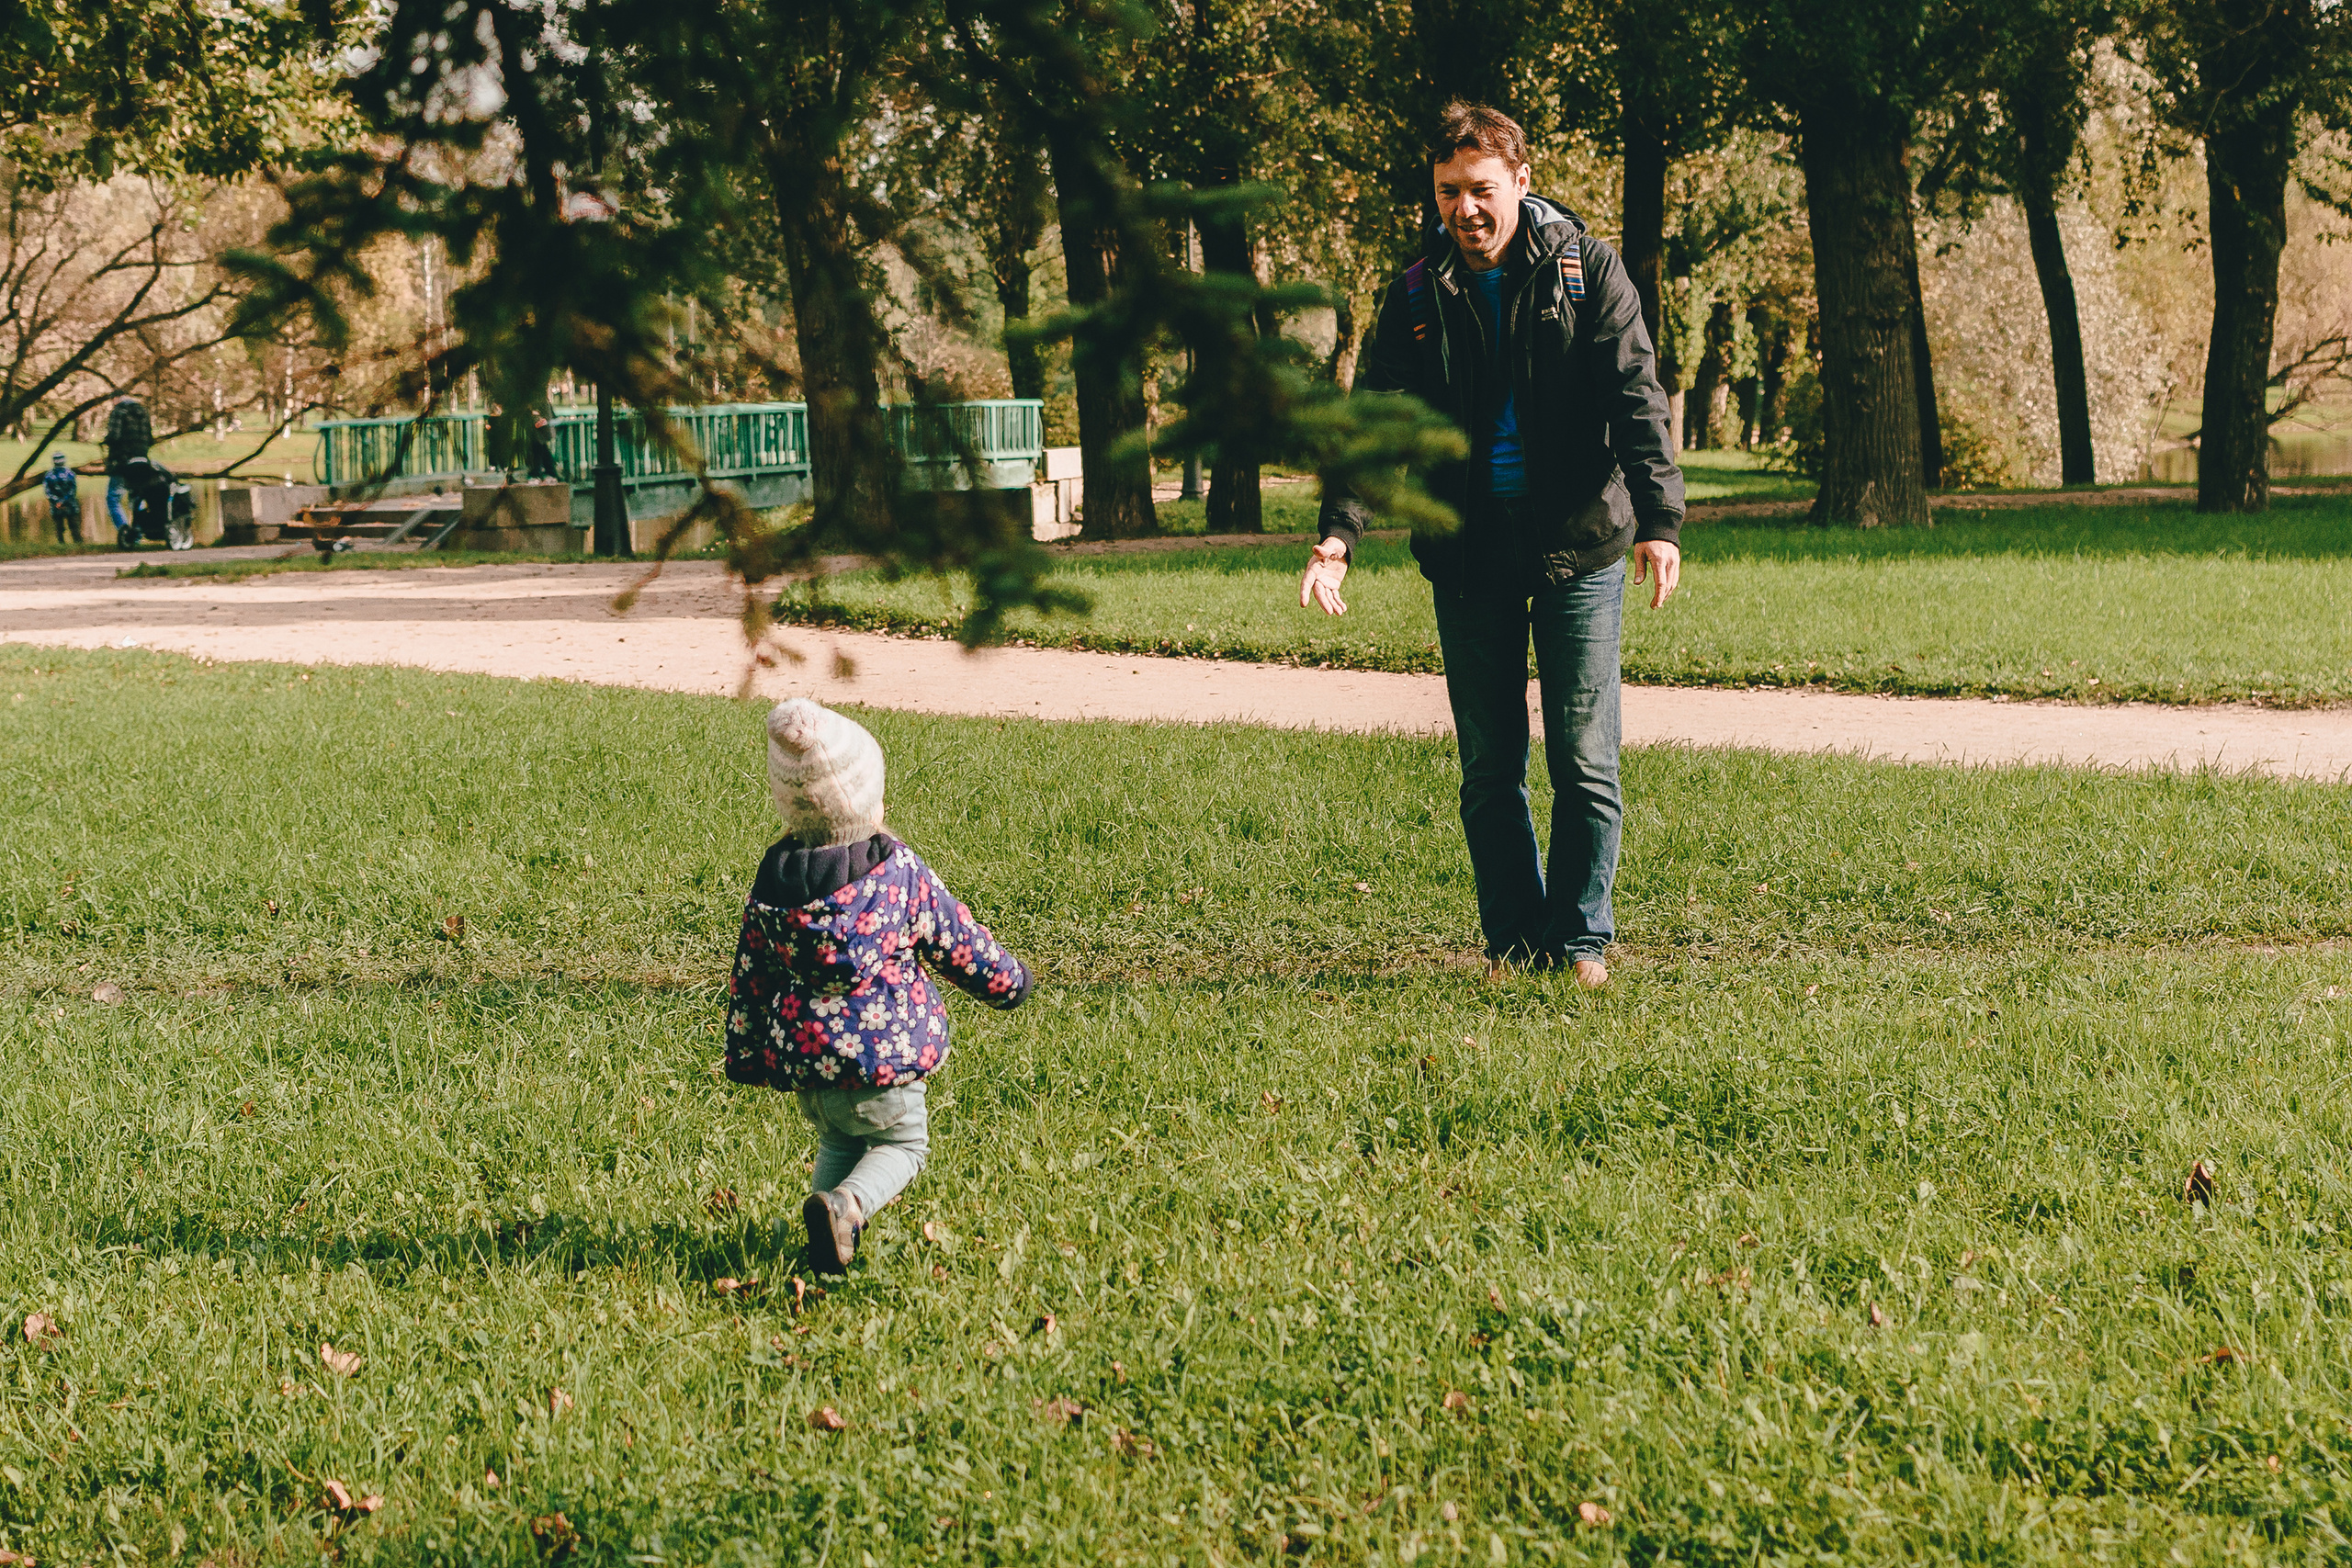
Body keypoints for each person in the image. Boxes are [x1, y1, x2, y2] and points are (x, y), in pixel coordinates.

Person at [1298, 101, 1684, 987]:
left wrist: (1660, 523)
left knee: (1584, 758)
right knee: (1489, 766)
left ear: (1521, 180)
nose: (1464, 210)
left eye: (1480, 189)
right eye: (1447, 192)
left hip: (1578, 543)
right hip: (1469, 553)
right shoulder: (1416, 291)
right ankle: (1515, 942)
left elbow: (1637, 395)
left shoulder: (1590, 271)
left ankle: (1582, 938)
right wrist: (1337, 535)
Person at [722, 698, 1032, 1273]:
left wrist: (748, 1057)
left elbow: (751, 978)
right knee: (904, 1147)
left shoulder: (771, 889)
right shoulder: (900, 875)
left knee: (839, 1141)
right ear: (872, 804)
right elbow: (955, 937)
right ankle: (847, 1205)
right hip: (881, 1062)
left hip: (810, 1070)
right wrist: (1010, 982)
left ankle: (820, 1243)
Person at [103, 394, 153, 536]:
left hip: (123, 461)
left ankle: (125, 531)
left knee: (113, 498)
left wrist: (108, 442)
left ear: (116, 398)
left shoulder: (119, 411)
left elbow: (114, 436)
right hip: (142, 460)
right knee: (137, 496)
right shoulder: (143, 411)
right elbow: (149, 438)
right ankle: (138, 530)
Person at [42, 453, 79, 543]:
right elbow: (73, 490)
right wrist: (63, 501)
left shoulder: (49, 475)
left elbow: (48, 492)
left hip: (57, 506)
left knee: (60, 528)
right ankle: (77, 544)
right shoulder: (70, 473)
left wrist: (57, 502)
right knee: (73, 527)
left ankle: (63, 544)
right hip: (69, 505)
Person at [525, 411, 560, 480]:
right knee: (542, 452)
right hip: (537, 435)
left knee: (540, 452)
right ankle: (547, 472)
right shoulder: (537, 404)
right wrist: (547, 422)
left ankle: (539, 472)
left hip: (536, 435)